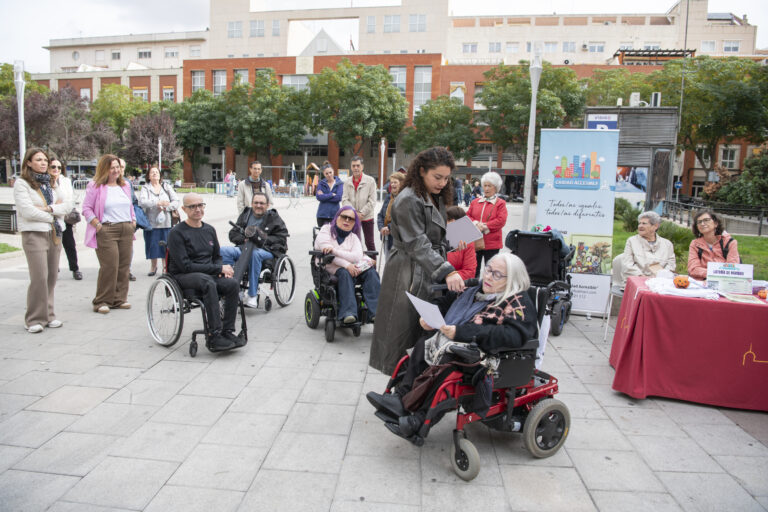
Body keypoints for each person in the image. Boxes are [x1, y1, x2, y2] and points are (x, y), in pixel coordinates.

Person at [367, 253, 537, 438]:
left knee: (449, 365)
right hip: (455, 344)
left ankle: (419, 420)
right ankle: (400, 399)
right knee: (424, 344)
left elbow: (514, 335)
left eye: (497, 275)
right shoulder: (473, 288)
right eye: (488, 269)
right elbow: (444, 302)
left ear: (512, 279)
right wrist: (430, 318)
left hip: (486, 357)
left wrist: (461, 332)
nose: (488, 276)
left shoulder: (518, 302)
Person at [370, 146, 464, 375]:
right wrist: (448, 270)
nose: (442, 183)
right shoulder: (408, 199)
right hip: (407, 271)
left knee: (423, 331)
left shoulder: (435, 195)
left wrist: (465, 232)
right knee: (402, 332)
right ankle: (400, 384)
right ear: (421, 171)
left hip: (426, 269)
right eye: (437, 177)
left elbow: (437, 237)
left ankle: (415, 385)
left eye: (446, 178)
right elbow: (417, 243)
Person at [167, 193, 242, 351]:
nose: (197, 209)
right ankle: (214, 335)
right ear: (184, 209)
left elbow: (217, 257)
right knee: (207, 282)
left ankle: (227, 330)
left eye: (200, 205)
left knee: (232, 284)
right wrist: (218, 268)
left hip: (207, 274)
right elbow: (185, 266)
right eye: (192, 206)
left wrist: (221, 270)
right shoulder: (177, 233)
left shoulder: (209, 230)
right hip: (184, 276)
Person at [14, 148, 66, 333]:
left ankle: (48, 314)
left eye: (45, 160)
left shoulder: (51, 183)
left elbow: (67, 205)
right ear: (29, 162)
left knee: (52, 276)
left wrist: (48, 210)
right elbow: (27, 211)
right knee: (39, 277)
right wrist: (54, 212)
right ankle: (35, 318)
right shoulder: (22, 184)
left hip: (53, 233)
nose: (44, 163)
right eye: (38, 160)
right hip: (34, 234)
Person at [82, 154, 136, 314]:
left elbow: (130, 205)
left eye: (118, 167)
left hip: (125, 228)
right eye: (112, 167)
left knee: (124, 266)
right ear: (104, 169)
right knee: (110, 266)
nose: (116, 171)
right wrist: (97, 224)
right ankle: (102, 301)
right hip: (107, 229)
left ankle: (119, 299)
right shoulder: (95, 185)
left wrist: (133, 220)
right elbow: (86, 208)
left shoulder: (125, 185)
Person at [221, 191, 289, 308]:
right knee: (223, 251)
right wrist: (244, 239)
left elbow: (282, 238)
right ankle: (231, 287)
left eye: (262, 203)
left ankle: (252, 295)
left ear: (267, 205)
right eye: (256, 203)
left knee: (254, 254)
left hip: (266, 251)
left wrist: (262, 238)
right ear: (252, 203)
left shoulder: (274, 218)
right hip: (244, 247)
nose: (258, 205)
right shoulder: (246, 215)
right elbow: (233, 234)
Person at [314, 206, 381, 324]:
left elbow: (356, 257)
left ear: (355, 223)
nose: (347, 221)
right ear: (337, 217)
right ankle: (348, 313)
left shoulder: (353, 237)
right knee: (344, 273)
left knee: (371, 273)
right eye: (344, 217)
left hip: (353, 266)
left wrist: (334, 251)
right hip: (330, 266)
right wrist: (346, 264)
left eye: (351, 219)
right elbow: (327, 252)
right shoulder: (326, 230)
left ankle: (376, 313)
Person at [139, 166, 180, 276]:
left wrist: (167, 207)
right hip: (151, 222)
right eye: (152, 172)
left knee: (166, 245)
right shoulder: (145, 188)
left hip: (166, 222)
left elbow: (176, 201)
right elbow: (142, 202)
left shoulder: (166, 186)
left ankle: (165, 266)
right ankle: (153, 266)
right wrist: (157, 202)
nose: (154, 174)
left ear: (160, 175)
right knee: (152, 245)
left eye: (156, 172)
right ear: (148, 175)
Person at [466, 171, 508, 277]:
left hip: (492, 243)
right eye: (485, 185)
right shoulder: (475, 202)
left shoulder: (500, 203)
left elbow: (501, 220)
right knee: (474, 268)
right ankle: (473, 290)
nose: (487, 188)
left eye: (490, 186)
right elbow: (467, 216)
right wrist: (476, 223)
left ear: (496, 187)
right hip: (475, 240)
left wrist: (484, 226)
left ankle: (488, 290)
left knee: (490, 270)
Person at [621, 211, 676, 285]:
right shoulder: (632, 241)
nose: (640, 226)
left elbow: (671, 265)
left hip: (660, 283)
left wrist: (660, 278)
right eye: (639, 223)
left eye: (644, 223)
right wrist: (642, 277)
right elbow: (627, 264)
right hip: (637, 282)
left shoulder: (667, 244)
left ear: (655, 226)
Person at [49, 156, 82, 280]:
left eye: (58, 167)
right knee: (52, 245)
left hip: (65, 218)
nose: (56, 169)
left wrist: (59, 207)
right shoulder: (45, 181)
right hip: (50, 219)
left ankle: (75, 269)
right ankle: (53, 268)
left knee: (70, 245)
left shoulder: (65, 181)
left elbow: (70, 199)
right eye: (53, 167)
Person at [687, 209, 740, 280]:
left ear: (715, 223)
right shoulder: (695, 244)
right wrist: (716, 273)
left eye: (706, 220)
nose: (702, 224)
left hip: (725, 283)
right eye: (699, 222)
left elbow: (733, 269)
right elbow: (693, 269)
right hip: (701, 284)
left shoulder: (730, 243)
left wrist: (711, 273)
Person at [341, 156, 377, 253]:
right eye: (353, 166)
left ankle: (372, 266)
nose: (356, 168)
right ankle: (357, 265)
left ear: (362, 167)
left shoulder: (370, 181)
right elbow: (344, 200)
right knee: (354, 242)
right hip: (352, 218)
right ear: (351, 167)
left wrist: (362, 213)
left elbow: (372, 200)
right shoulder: (346, 182)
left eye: (358, 165)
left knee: (370, 243)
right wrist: (354, 213)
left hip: (367, 217)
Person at [377, 170, 406, 255]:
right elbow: (380, 215)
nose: (392, 184)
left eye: (395, 182)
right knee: (387, 260)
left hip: (397, 237)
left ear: (401, 183)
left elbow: (402, 218)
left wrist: (389, 227)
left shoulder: (405, 199)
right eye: (391, 182)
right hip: (385, 235)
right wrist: (381, 227)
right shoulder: (388, 197)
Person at [119, 158, 138, 282]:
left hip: (127, 222)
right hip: (110, 224)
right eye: (116, 166)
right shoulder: (103, 183)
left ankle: (127, 270)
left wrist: (134, 219)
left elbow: (133, 201)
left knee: (128, 249)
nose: (119, 169)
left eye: (121, 167)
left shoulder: (127, 183)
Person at [445, 206, 477, 280]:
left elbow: (470, 271)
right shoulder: (437, 237)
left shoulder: (467, 242)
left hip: (453, 284)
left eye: (445, 220)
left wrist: (449, 276)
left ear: (452, 221)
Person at [315, 161, 343, 227]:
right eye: (326, 173)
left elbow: (338, 198)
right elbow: (318, 197)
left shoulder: (340, 183)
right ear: (324, 174)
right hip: (322, 215)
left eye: (330, 172)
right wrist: (331, 195)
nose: (329, 175)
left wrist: (324, 196)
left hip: (334, 215)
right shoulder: (321, 183)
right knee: (323, 236)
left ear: (333, 171)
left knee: (334, 236)